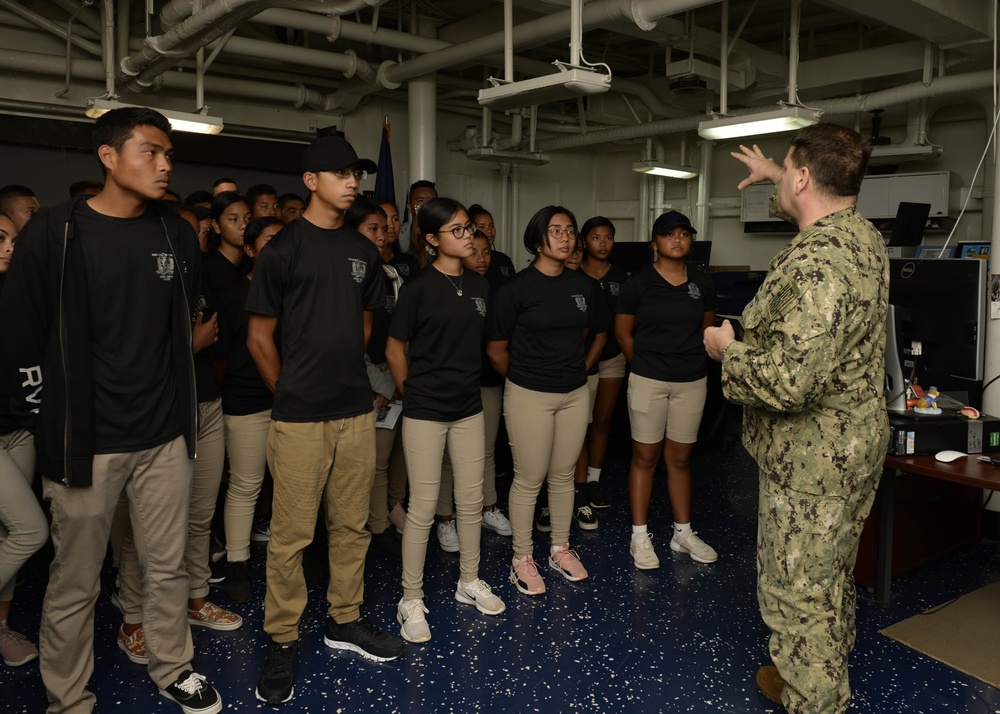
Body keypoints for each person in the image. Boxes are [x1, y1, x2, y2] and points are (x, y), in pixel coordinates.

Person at [0, 107, 221, 713]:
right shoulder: (54, 230)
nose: (165, 163)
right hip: (85, 440)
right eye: (151, 151)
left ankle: (173, 666)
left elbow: (184, 323)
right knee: (74, 578)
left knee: (165, 565)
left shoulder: (174, 233)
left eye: (169, 153)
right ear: (108, 156)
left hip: (163, 437)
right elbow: (21, 334)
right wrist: (49, 418)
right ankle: (68, 697)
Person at [703, 123, 889, 714]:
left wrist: (726, 350)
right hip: (855, 442)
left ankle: (816, 698)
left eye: (789, 169)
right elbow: (815, 218)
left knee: (797, 592)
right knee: (830, 574)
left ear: (806, 177)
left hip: (813, 458)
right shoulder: (862, 237)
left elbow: (788, 382)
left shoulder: (816, 265)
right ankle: (816, 671)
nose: (781, 176)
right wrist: (780, 174)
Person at [247, 135, 404, 706]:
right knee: (290, 536)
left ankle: (344, 619)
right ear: (311, 180)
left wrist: (346, 381)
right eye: (339, 173)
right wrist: (292, 391)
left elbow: (363, 324)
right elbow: (259, 338)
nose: (352, 181)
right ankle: (283, 636)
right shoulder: (282, 249)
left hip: (354, 413)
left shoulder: (363, 252)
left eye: (355, 173)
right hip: (299, 418)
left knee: (351, 524)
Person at [386, 197, 505, 643]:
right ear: (432, 240)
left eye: (468, 228)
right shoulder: (417, 288)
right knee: (423, 506)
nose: (468, 235)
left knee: (471, 499)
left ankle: (469, 581)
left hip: (468, 407)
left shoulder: (479, 287)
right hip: (425, 409)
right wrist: (409, 391)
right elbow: (395, 348)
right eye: (456, 230)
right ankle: (410, 597)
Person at [486, 206, 607, 597]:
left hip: (572, 393)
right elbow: (496, 349)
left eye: (570, 231)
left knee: (563, 475)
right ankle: (521, 557)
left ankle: (559, 548)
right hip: (528, 394)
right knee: (529, 478)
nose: (566, 238)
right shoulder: (514, 290)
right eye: (556, 231)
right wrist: (525, 382)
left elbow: (588, 334)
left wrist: (574, 371)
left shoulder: (583, 286)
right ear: (537, 240)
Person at [615, 210, 718, 571]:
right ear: (654, 243)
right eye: (669, 235)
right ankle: (639, 536)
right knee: (645, 457)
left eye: (684, 234)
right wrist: (644, 366)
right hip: (648, 380)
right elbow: (623, 333)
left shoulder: (702, 283)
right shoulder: (638, 283)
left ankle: (682, 533)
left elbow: (705, 332)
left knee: (680, 459)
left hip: (691, 381)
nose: (678, 240)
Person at [215, 216, 283, 603]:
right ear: (251, 249)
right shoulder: (233, 294)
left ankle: (292, 559)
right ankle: (237, 562)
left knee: (293, 487)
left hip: (291, 403)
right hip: (246, 401)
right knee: (245, 484)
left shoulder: (295, 291)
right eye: (271, 241)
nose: (279, 249)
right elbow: (221, 357)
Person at [0, 211, 48, 669]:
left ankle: (1, 627)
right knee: (31, 530)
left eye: (13, 238)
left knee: (6, 532)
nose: (9, 246)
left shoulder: (22, 296)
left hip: (20, 431)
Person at [344, 200, 403, 560]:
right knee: (376, 461)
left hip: (396, 372)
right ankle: (377, 526)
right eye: (372, 229)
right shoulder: (348, 277)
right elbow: (350, 343)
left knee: (399, 456)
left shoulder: (394, 275)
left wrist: (401, 378)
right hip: (370, 380)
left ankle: (392, 510)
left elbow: (405, 334)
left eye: (384, 229)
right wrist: (382, 386)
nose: (382, 236)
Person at [203, 191, 250, 300]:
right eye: (233, 219)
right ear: (216, 226)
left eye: (248, 218)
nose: (244, 225)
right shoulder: (205, 266)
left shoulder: (255, 263)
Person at [468, 204, 516, 285]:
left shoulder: (503, 260)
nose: (489, 231)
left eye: (491, 226)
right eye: (482, 227)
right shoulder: (465, 259)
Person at [399, 180, 437, 254]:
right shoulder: (399, 233)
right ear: (409, 207)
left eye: (432, 201)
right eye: (420, 201)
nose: (426, 205)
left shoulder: (446, 232)